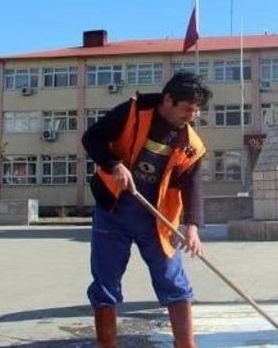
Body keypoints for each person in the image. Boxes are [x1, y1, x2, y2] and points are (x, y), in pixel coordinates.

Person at [82, 72, 212, 348]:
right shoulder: (132, 112)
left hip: (156, 218)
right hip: (113, 211)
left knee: (173, 280)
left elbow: (192, 184)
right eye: (187, 109)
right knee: (105, 282)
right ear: (168, 100)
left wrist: (192, 226)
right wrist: (113, 164)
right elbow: (92, 138)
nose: (191, 116)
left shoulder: (192, 145)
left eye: (196, 111)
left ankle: (186, 345)